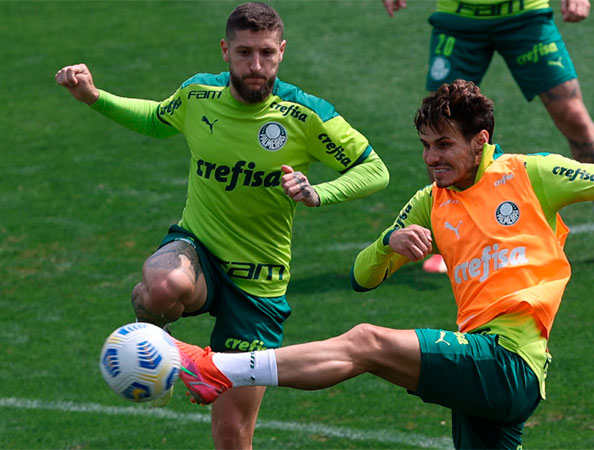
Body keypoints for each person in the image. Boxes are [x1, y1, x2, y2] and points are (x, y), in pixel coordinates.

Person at [172, 80, 594, 449]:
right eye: (425, 146)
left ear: (481, 140)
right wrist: (389, 246)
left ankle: (220, 369)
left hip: (510, 362)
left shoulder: (531, 175)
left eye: (444, 145)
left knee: (367, 343)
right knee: (368, 336)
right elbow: (360, 276)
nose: (431, 159)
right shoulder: (428, 202)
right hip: (485, 371)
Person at [55, 2, 389, 448]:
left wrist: (319, 192)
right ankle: (161, 351)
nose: (256, 66)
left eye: (267, 54)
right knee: (160, 285)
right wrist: (94, 97)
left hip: (259, 283)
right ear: (224, 51)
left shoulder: (305, 115)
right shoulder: (198, 96)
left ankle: (170, 359)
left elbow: (375, 169)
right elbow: (157, 119)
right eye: (245, 52)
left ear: (282, 52)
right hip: (200, 249)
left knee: (231, 435)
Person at [382, 0, 594, 273]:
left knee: (572, 114)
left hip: (525, 15)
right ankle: (447, 239)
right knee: (442, 126)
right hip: (458, 20)